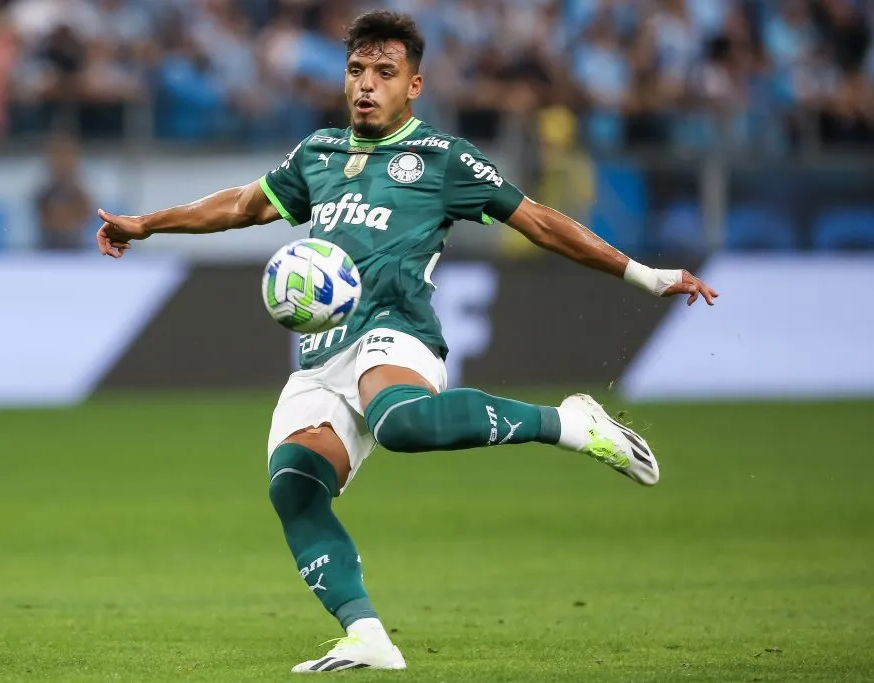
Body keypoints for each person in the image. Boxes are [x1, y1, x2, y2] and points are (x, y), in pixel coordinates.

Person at [95, 11, 719, 673]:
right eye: (357, 71)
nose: (366, 85)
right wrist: (147, 223)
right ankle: (366, 635)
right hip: (323, 352)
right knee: (294, 488)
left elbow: (538, 221)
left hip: (397, 330)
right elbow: (242, 205)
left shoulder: (445, 160)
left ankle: (567, 421)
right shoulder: (319, 154)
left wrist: (645, 274)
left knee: (400, 423)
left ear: (414, 85)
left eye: (384, 73)